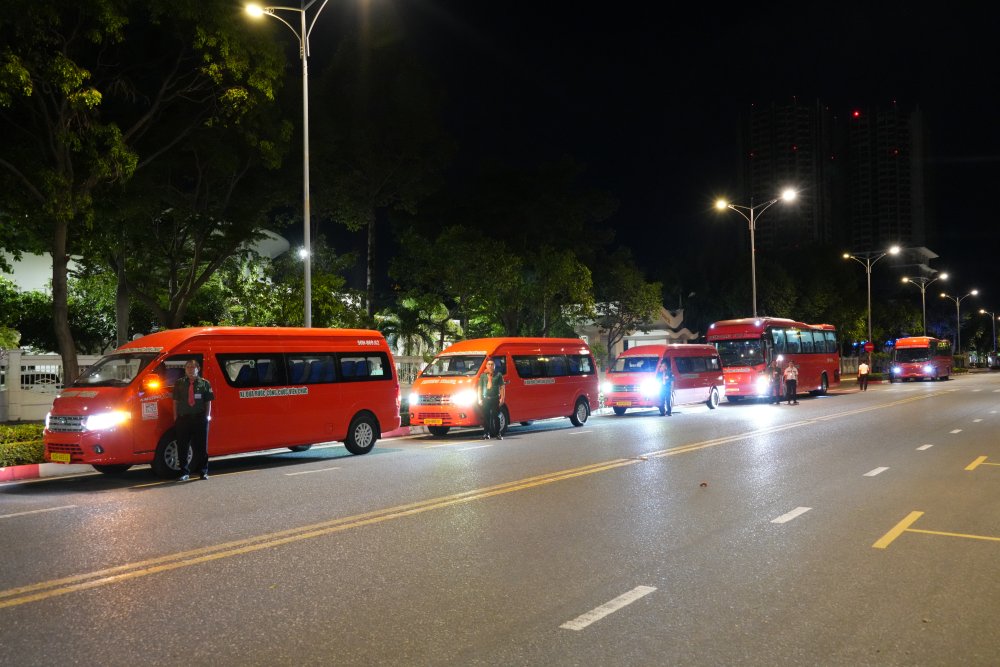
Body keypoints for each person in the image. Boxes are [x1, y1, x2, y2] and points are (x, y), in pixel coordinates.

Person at [172, 359, 215, 481]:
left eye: (193, 367)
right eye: (188, 367)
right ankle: (184, 472)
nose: (190, 369)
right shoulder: (179, 383)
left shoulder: (205, 383)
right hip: (183, 419)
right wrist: (175, 417)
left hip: (199, 418)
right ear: (185, 370)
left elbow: (208, 402)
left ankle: (203, 472)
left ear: (198, 369)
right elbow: (175, 402)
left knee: (201, 447)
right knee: (183, 447)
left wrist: (207, 416)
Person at [478, 358, 505, 440]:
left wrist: (502, 398)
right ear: (486, 366)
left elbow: (502, 387)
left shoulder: (498, 375)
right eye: (489, 364)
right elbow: (479, 388)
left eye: (492, 364)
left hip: (495, 398)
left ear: (494, 366)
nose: (490, 366)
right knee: (486, 416)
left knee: (496, 416)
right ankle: (486, 433)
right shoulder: (483, 376)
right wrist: (479, 398)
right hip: (485, 398)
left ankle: (498, 434)